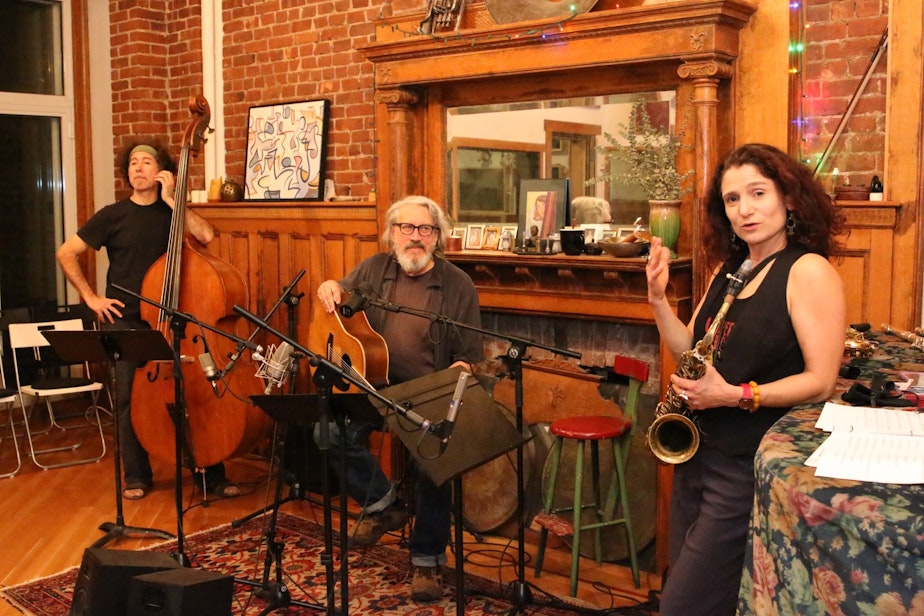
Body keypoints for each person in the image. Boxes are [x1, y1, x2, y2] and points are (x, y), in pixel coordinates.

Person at [645, 143, 845, 615]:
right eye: (733, 199)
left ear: (789, 198)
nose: (745, 209)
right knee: (705, 598)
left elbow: (820, 380)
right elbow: (690, 348)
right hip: (697, 454)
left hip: (746, 465)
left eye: (758, 193)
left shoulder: (808, 271)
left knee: (684, 606)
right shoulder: (729, 269)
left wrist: (733, 395)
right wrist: (657, 299)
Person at [315, 195, 483, 602]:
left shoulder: (457, 284)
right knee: (327, 432)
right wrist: (329, 286)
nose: (415, 237)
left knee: (433, 461)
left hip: (427, 392)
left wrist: (453, 384)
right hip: (375, 386)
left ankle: (426, 561)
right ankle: (384, 504)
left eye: (425, 229)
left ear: (437, 237)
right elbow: (338, 295)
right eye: (406, 228)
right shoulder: (375, 268)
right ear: (392, 234)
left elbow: (468, 358)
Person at [56, 141, 239, 501]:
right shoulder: (112, 215)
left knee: (196, 393)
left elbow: (205, 236)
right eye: (133, 163)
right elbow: (66, 253)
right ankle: (137, 476)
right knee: (127, 399)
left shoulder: (172, 212)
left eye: (147, 162)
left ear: (161, 172)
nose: (138, 168)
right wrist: (92, 298)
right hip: (125, 321)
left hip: (176, 322)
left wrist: (173, 200)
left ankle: (210, 473)